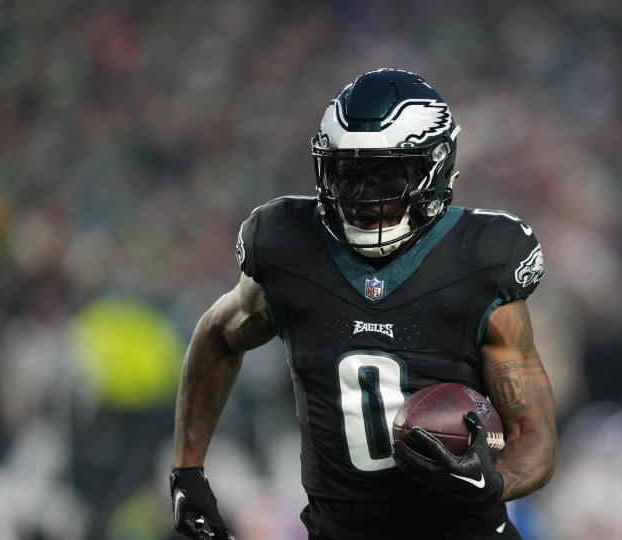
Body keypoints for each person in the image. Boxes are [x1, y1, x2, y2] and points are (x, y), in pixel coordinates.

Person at [170, 68, 557, 540]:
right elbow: (217, 336)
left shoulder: (481, 259)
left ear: (433, 168)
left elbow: (532, 435)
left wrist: (489, 482)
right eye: (349, 174)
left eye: (387, 174)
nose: (363, 197)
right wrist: (187, 471)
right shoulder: (289, 246)